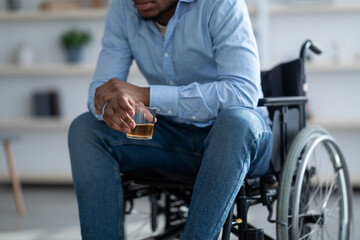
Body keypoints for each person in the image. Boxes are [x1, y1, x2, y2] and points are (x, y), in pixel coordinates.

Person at [68, 0, 273, 239]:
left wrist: (147, 94)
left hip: (239, 142)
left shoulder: (221, 4)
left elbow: (242, 94)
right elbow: (101, 92)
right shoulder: (122, 8)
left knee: (235, 121)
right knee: (85, 129)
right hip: (172, 137)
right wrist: (115, 106)